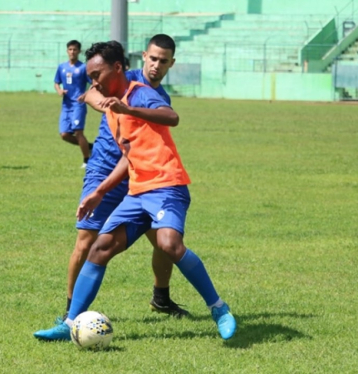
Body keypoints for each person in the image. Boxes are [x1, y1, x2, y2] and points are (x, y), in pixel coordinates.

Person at [34, 41, 236, 341]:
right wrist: (100, 191)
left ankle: (219, 308)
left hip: (166, 184)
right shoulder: (114, 105)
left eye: (97, 75)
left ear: (116, 69)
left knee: (168, 244)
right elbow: (129, 156)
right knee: (99, 248)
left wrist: (127, 108)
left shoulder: (141, 93)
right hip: (136, 191)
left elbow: (172, 117)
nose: (94, 82)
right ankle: (70, 322)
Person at [40, 35, 190, 328]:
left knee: (165, 241)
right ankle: (71, 310)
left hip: (140, 176)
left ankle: (161, 297)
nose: (156, 66)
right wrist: (111, 104)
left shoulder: (160, 99)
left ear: (171, 63)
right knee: (86, 241)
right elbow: (89, 94)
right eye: (153, 58)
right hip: (103, 169)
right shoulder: (121, 77)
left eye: (163, 61)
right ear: (144, 56)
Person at [54, 40, 91, 168]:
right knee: (64, 135)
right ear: (67, 51)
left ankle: (87, 160)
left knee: (78, 132)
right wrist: (59, 90)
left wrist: (85, 94)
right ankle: (90, 146)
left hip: (78, 105)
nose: (72, 52)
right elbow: (56, 82)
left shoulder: (83, 68)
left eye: (75, 50)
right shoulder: (62, 67)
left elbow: (94, 84)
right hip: (66, 105)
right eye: (70, 49)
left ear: (79, 51)